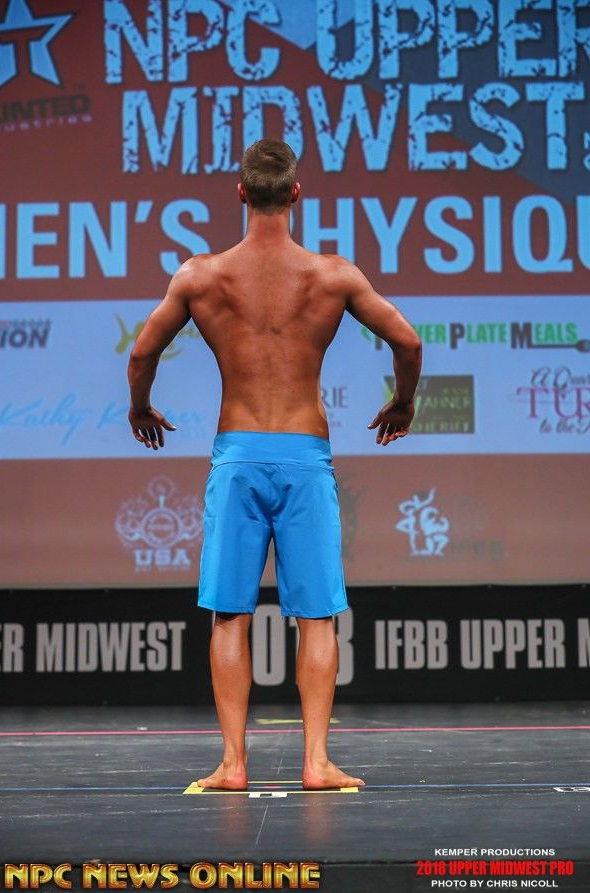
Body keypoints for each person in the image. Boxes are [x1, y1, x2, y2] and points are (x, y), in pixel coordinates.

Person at [127, 138, 422, 790]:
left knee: (229, 613)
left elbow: (142, 353)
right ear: (296, 193)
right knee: (316, 616)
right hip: (304, 459)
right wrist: (402, 403)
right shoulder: (332, 276)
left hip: (238, 457)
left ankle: (234, 765)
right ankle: (316, 762)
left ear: (240, 192)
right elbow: (408, 340)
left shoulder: (201, 277)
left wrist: (140, 408)